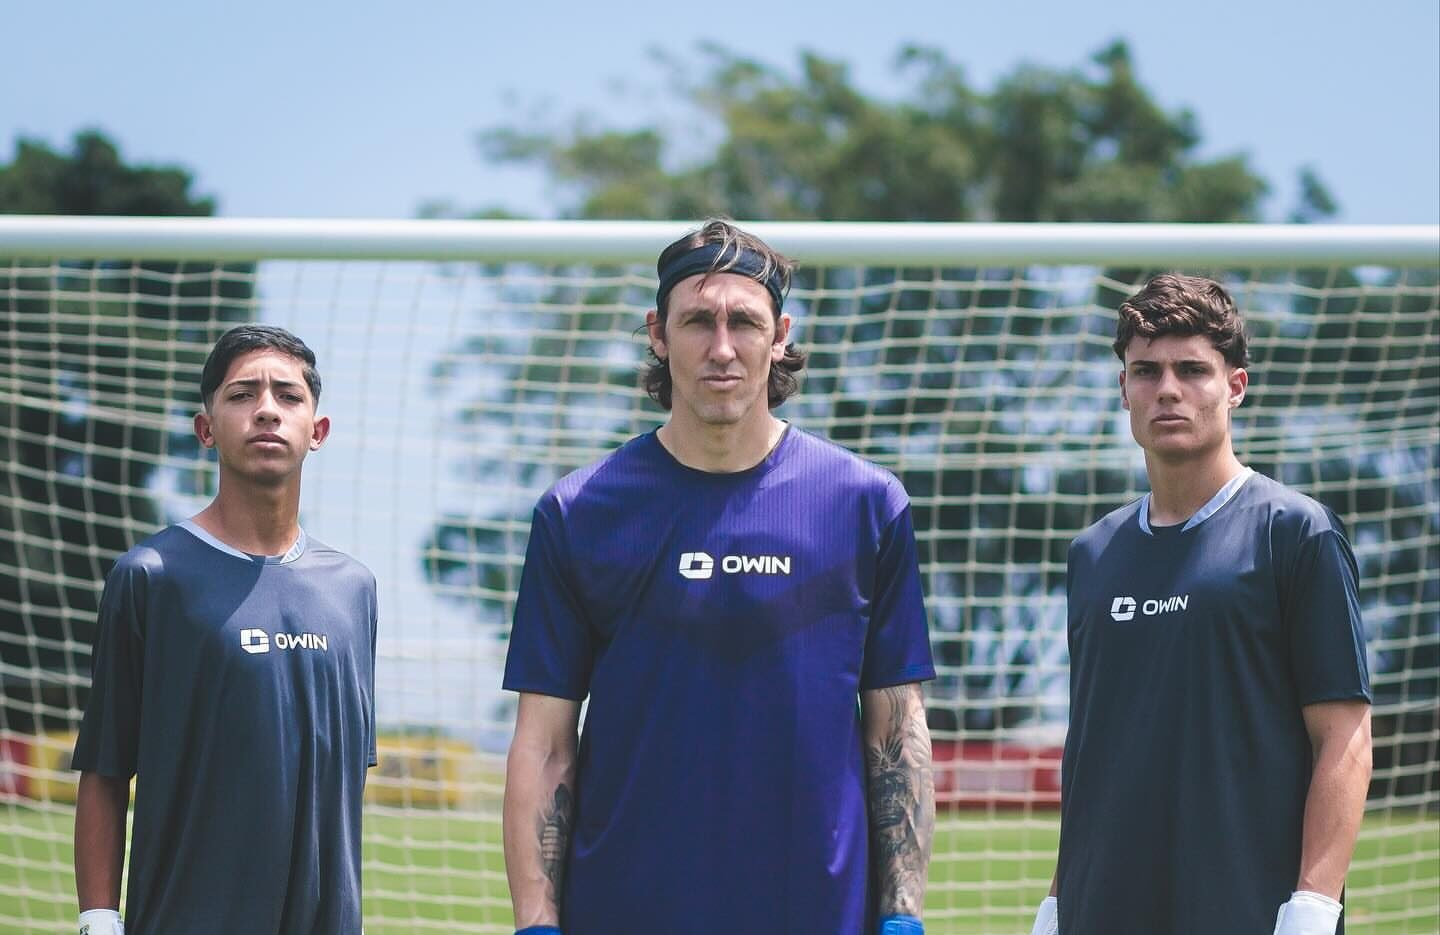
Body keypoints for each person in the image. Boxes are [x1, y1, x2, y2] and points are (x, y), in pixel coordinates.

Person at [501, 219, 937, 935]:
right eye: (699, 321)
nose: (723, 347)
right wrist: (537, 922)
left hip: (820, 914)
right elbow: (545, 743)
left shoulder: (865, 503)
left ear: (781, 335)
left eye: (746, 322)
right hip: (625, 912)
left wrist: (902, 915)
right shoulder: (579, 512)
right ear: (658, 334)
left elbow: (897, 729)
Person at [1030, 274, 1373, 935]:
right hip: (1100, 909)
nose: (1167, 389)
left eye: (1192, 370)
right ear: (1123, 389)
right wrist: (1056, 902)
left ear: (1235, 386)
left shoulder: (1296, 533)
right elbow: (1094, 751)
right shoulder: (1092, 553)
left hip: (1249, 909)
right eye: (1146, 371)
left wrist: (1312, 905)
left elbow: (1345, 737)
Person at [71, 325, 378, 935]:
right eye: (242, 394)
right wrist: (98, 922)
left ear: (317, 431)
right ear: (206, 429)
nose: (266, 409)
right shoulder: (151, 576)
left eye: (288, 396)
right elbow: (105, 769)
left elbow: (344, 780)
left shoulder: (354, 589)